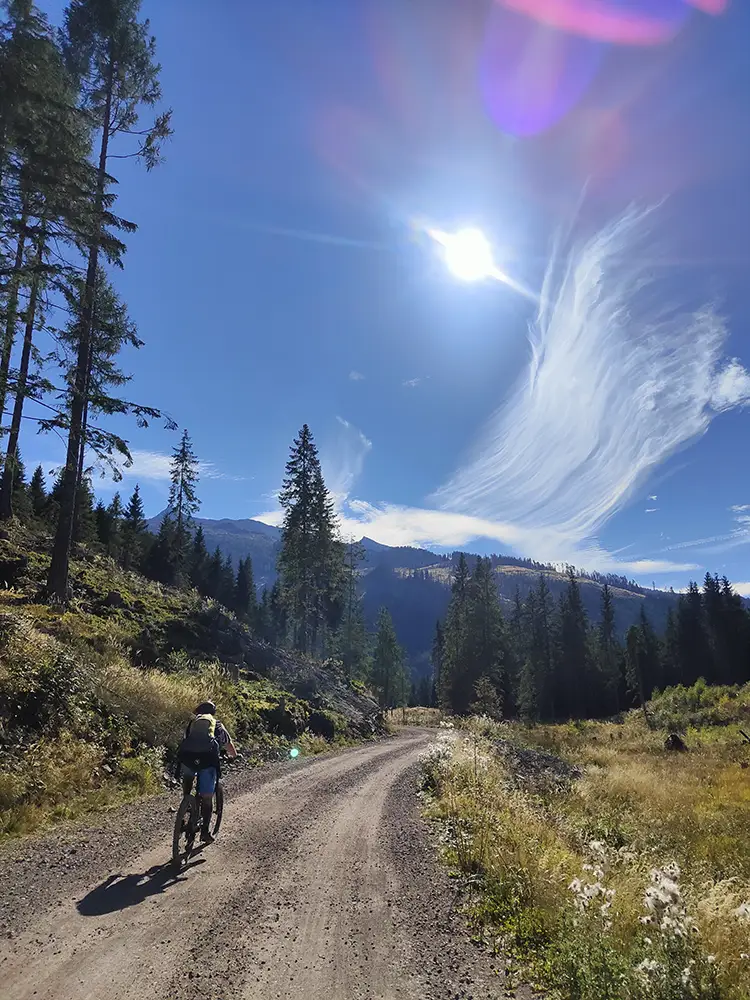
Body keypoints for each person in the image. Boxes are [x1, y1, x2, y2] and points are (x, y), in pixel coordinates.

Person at [178, 700, 237, 843]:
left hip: (188, 759)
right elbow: (229, 746)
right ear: (213, 712)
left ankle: (185, 807)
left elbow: (185, 741)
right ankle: (205, 831)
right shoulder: (217, 725)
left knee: (188, 781)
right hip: (207, 761)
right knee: (206, 797)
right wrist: (233, 756)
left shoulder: (192, 724)